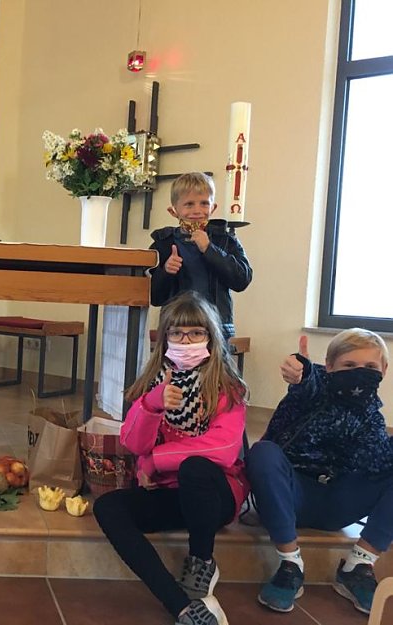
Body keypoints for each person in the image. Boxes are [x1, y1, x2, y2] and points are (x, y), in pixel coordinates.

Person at [94, 291, 248, 625]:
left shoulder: (228, 387)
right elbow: (133, 442)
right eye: (176, 333)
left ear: (211, 336)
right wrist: (152, 404)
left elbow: (221, 450)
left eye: (196, 332)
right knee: (108, 507)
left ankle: (201, 561)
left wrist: (154, 461)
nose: (186, 340)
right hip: (169, 492)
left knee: (196, 467)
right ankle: (181, 607)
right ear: (164, 339)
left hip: (215, 494)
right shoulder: (154, 383)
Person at [247, 329, 392, 615]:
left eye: (370, 367)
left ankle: (359, 565)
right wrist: (301, 373)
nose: (359, 374)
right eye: (349, 366)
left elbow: (375, 464)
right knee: (262, 452)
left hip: (339, 502)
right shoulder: (312, 389)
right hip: (292, 497)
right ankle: (290, 564)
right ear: (330, 366)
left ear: (384, 371)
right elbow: (307, 384)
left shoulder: (373, 417)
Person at [149, 172, 252, 339]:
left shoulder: (225, 240)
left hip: (217, 329)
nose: (197, 211)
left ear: (213, 208)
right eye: (189, 204)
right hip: (176, 330)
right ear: (173, 211)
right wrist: (166, 271)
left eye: (204, 203)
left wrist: (210, 249)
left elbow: (242, 280)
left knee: (215, 366)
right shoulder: (163, 243)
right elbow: (154, 296)